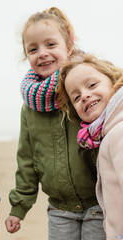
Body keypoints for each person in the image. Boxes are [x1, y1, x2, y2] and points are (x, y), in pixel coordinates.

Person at [5, 7, 106, 240]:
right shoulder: (29, 108)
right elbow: (27, 161)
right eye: (33, 49)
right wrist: (19, 207)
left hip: (99, 204)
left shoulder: (84, 91)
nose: (42, 53)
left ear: (68, 46)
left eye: (51, 45)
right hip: (60, 210)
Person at [57, 53, 123, 240]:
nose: (85, 95)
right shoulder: (110, 131)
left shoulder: (118, 133)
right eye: (76, 97)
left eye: (92, 85)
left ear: (113, 81)